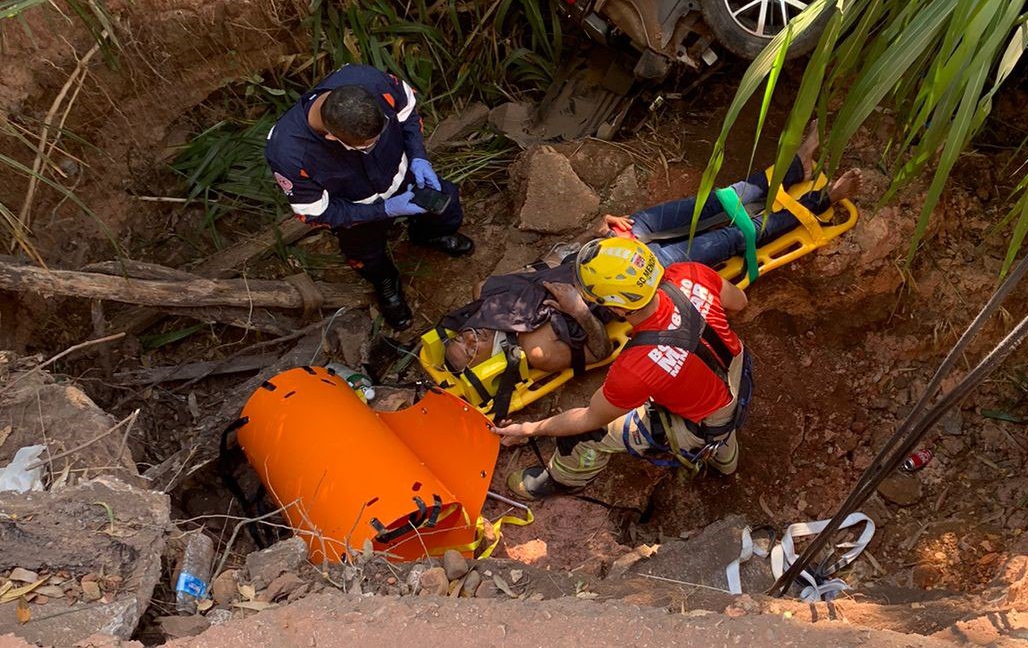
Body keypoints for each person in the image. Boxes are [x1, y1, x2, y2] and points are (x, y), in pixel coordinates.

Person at [442, 125, 859, 376]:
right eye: (472, 349)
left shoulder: (489, 293)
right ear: (484, 363)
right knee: (732, 238)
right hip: (640, 279)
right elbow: (600, 352)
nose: (474, 336)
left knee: (716, 202)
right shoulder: (539, 353)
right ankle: (819, 202)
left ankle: (796, 168)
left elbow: (545, 265)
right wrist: (578, 311)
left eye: (464, 335)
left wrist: (589, 233)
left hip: (609, 247)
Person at [495, 236, 752, 500]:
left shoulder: (636, 366)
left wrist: (529, 429)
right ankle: (726, 460)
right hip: (735, 376)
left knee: (588, 435)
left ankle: (563, 479)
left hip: (702, 421)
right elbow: (738, 302)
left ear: (618, 308)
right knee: (719, 424)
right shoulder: (690, 273)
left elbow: (589, 418)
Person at [264, 63, 473, 331]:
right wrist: (385, 210)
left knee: (447, 205)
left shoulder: (370, 81)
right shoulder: (289, 153)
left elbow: (407, 111)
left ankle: (428, 235)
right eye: (365, 146)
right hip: (356, 212)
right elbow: (316, 212)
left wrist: (419, 157)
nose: (372, 147)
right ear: (330, 136)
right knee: (365, 255)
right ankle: (386, 281)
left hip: (405, 176)